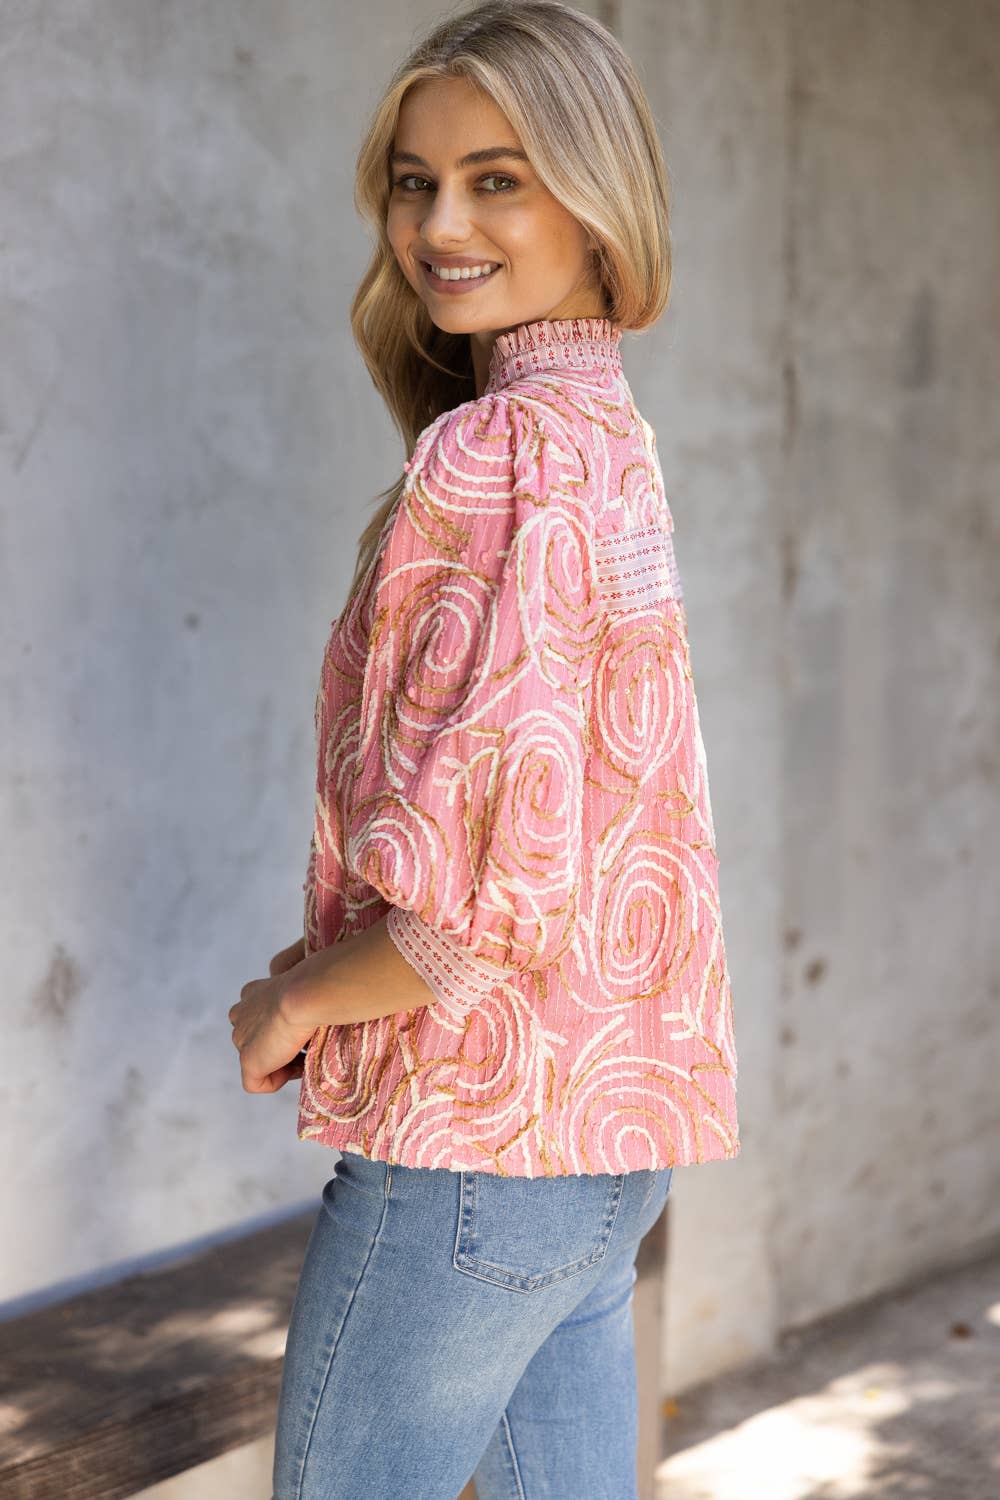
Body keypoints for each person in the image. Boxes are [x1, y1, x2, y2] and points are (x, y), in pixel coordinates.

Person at [227, 3, 740, 1495]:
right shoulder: (603, 433)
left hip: (470, 1146)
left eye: (497, 179)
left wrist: (292, 1001)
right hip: (604, 1142)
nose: (439, 225)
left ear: (599, 200)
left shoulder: (497, 451)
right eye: (415, 181)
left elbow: (482, 906)